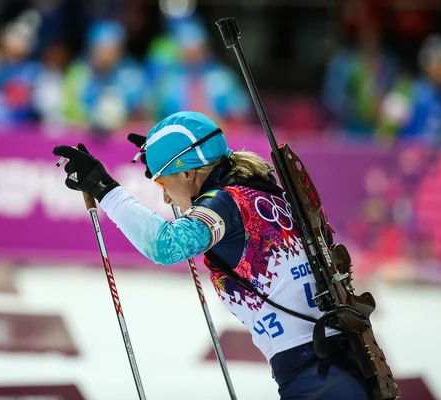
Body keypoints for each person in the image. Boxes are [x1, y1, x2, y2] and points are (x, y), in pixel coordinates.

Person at [53, 111, 371, 399]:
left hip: (316, 376)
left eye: (162, 180)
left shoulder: (227, 204)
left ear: (189, 174)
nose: (164, 195)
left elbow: (165, 245)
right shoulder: (263, 190)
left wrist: (105, 190)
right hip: (338, 363)